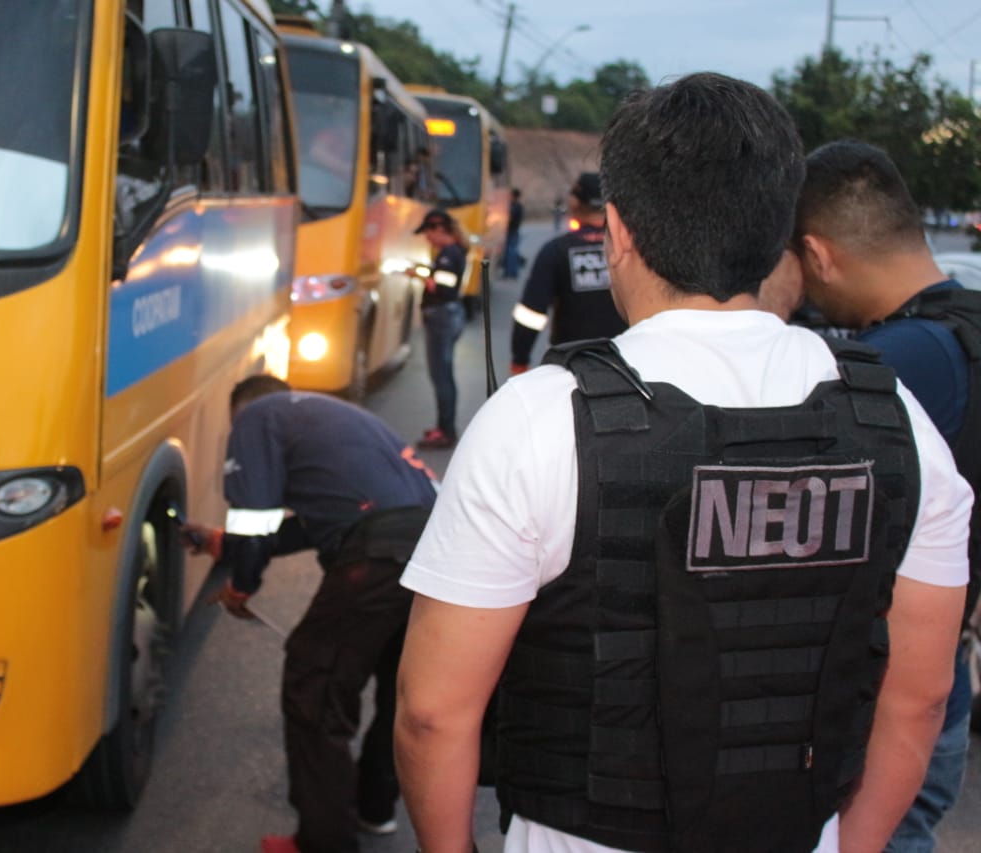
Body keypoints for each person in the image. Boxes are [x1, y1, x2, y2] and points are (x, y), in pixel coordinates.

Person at [394, 72, 970, 853]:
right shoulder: (897, 420)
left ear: (619, 230)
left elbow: (433, 712)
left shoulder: (537, 423)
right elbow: (921, 700)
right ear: (779, 236)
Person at [793, 139, 981, 852]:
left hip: (879, 714)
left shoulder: (890, 369)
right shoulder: (967, 332)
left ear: (818, 254)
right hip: (940, 689)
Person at [182, 374, 437, 853]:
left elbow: (254, 516)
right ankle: (375, 807)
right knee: (399, 684)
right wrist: (222, 543)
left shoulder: (257, 414)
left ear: (243, 408)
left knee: (314, 683)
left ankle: (324, 842)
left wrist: (241, 582)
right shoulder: (335, 417)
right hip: (437, 553)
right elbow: (337, 515)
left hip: (376, 556)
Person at [509, 171, 625, 373]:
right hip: (626, 364)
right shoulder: (628, 251)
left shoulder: (556, 250)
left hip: (570, 367)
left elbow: (531, 313)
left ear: (574, 203)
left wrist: (520, 359)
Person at [414, 208, 468, 449]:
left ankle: (445, 431)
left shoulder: (448, 254)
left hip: (442, 317)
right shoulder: (453, 252)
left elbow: (446, 287)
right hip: (448, 316)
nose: (427, 238)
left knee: (441, 376)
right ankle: (444, 427)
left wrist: (422, 276)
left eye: (428, 232)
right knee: (443, 375)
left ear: (438, 228)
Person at [502, 188, 525, 279]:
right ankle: (510, 272)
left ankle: (511, 272)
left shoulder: (515, 206)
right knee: (511, 252)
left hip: (512, 232)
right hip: (513, 231)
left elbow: (510, 217)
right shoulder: (517, 206)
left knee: (511, 252)